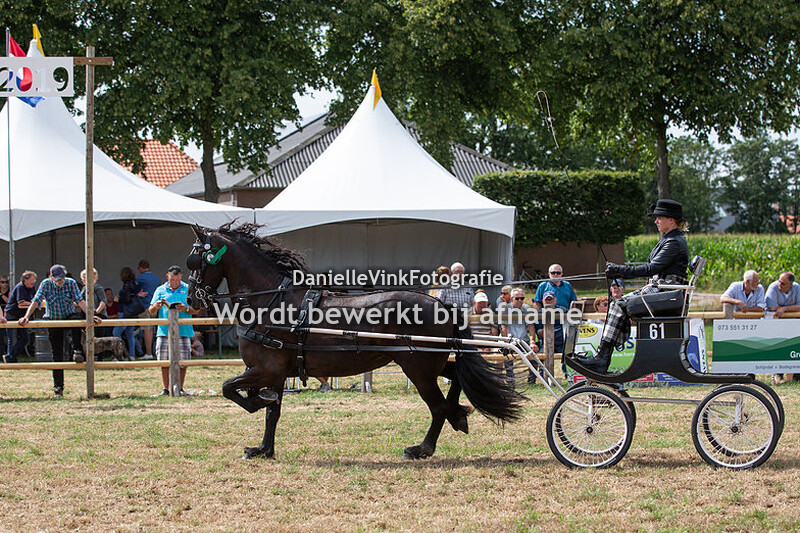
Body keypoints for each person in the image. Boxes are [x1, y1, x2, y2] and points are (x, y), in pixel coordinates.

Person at [573, 199, 689, 374]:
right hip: (663, 291)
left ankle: (602, 357)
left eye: (659, 218)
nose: (655, 221)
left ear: (671, 219)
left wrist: (620, 270)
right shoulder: (669, 240)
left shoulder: (674, 242)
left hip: (668, 293)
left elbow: (652, 269)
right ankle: (602, 356)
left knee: (619, 304)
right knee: (617, 303)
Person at [18, 264, 100, 397]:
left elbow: (80, 301)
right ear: (51, 277)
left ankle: (77, 350)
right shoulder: (45, 284)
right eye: (57, 279)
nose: (60, 281)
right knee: (57, 354)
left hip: (68, 316)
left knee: (76, 320)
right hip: (53, 319)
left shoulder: (71, 283)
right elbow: (35, 301)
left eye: (61, 278)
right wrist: (26, 317)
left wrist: (92, 315)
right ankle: (58, 388)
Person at [149, 265, 200, 396]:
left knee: (183, 361)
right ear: (167, 277)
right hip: (164, 331)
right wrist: (156, 306)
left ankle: (180, 388)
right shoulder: (160, 290)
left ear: (181, 277)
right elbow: (151, 311)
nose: (175, 282)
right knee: (164, 361)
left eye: (177, 280)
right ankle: (166, 389)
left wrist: (186, 309)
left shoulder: (188, 289)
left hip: (184, 331)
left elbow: (197, 309)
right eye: (172, 280)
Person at [534, 264, 577, 358]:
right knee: (545, 352)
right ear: (549, 274)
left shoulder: (567, 285)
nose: (555, 275)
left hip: (563, 318)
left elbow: (573, 303)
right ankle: (542, 372)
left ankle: (566, 372)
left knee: (566, 353)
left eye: (558, 273)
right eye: (553, 273)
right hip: (547, 318)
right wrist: (540, 318)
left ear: (562, 274)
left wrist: (572, 319)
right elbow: (537, 303)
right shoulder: (543, 286)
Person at [765, 272, 800, 384]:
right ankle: (777, 375)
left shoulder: (797, 287)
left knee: (794, 348)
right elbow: (772, 307)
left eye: (782, 283)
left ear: (790, 284)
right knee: (778, 348)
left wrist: (784, 309)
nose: (779, 284)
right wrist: (792, 309)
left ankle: (795, 375)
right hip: (777, 326)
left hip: (793, 326)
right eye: (779, 281)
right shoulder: (773, 287)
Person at [499, 287, 539, 382]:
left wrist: (532, 342)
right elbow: (503, 328)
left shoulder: (527, 309)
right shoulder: (505, 309)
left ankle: (531, 379)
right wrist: (506, 343)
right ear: (512, 299)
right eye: (517, 298)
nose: (520, 300)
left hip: (523, 341)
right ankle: (510, 379)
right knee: (507, 354)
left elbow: (531, 326)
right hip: (509, 341)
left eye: (522, 298)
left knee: (535, 353)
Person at [4, 271, 36, 363]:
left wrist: (36, 303)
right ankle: (11, 359)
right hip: (12, 315)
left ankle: (10, 356)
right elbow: (21, 303)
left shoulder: (32, 288)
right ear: (25, 280)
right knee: (12, 338)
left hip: (22, 316)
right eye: (31, 280)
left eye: (34, 280)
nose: (33, 282)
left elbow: (35, 299)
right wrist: (33, 304)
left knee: (25, 338)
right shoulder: (20, 287)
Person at [113, 267, 143, 360]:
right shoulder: (135, 284)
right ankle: (132, 354)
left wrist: (118, 299)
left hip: (125, 312)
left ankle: (119, 354)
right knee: (130, 334)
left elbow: (127, 298)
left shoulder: (126, 285)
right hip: (133, 312)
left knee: (116, 333)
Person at [136, 260, 161, 359]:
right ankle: (155, 351)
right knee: (154, 330)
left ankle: (148, 353)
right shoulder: (157, 278)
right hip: (155, 306)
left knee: (147, 330)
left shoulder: (139, 278)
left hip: (145, 306)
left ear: (141, 268)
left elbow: (133, 290)